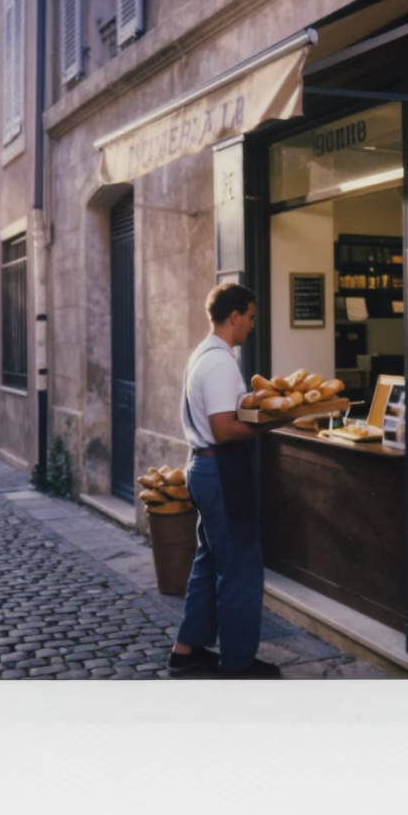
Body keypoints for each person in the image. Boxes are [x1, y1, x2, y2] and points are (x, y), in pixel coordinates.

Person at [169, 282, 292, 679]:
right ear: (234, 316)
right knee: (240, 566)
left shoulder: (200, 354)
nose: (253, 325)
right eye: (251, 317)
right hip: (219, 469)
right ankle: (238, 663)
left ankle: (187, 649)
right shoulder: (221, 363)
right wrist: (273, 424)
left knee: (209, 560)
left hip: (201, 466)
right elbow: (224, 429)